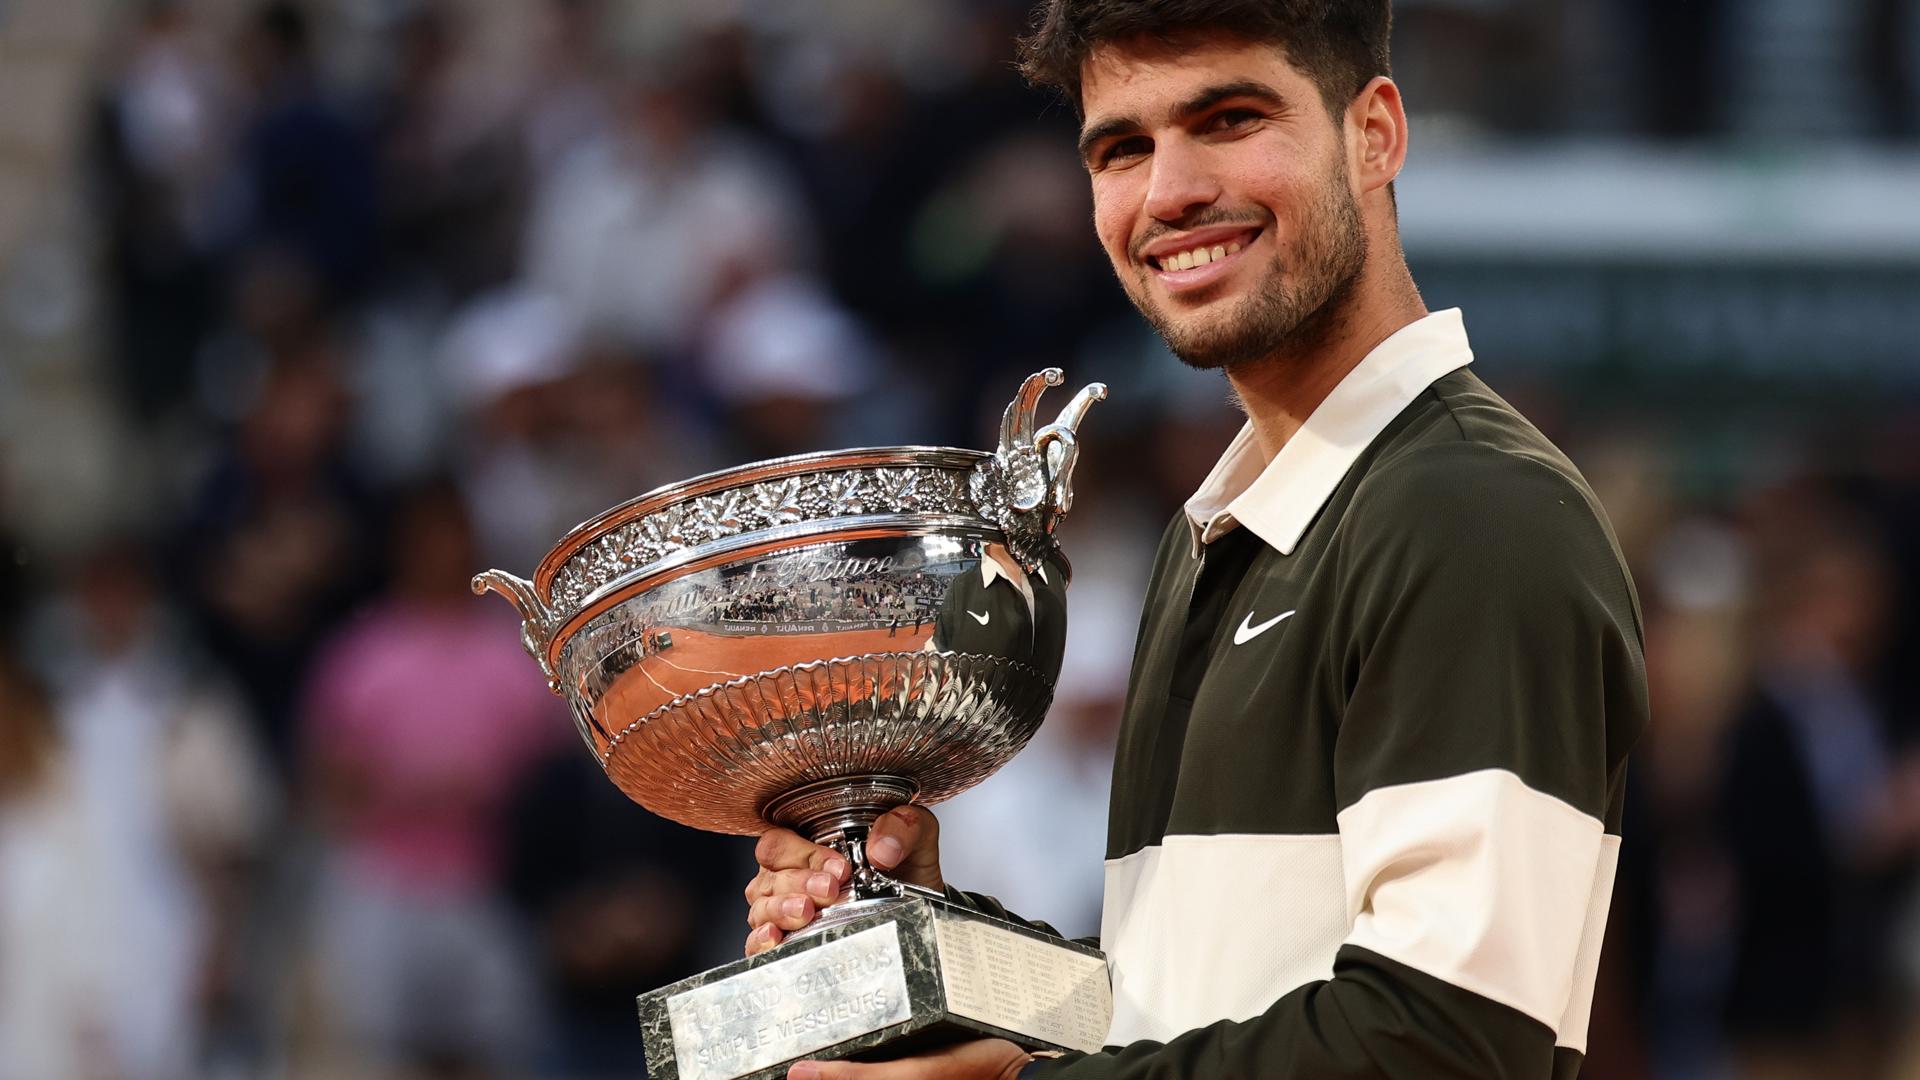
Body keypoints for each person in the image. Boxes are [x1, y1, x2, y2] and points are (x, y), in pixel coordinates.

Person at [744, 3, 1648, 1078]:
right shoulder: (1215, 528)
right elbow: (1171, 995)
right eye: (1123, 148)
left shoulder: (1470, 510)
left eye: (1227, 119)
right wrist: (922, 938)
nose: (1167, 194)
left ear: (1376, 134)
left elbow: (1449, 1042)